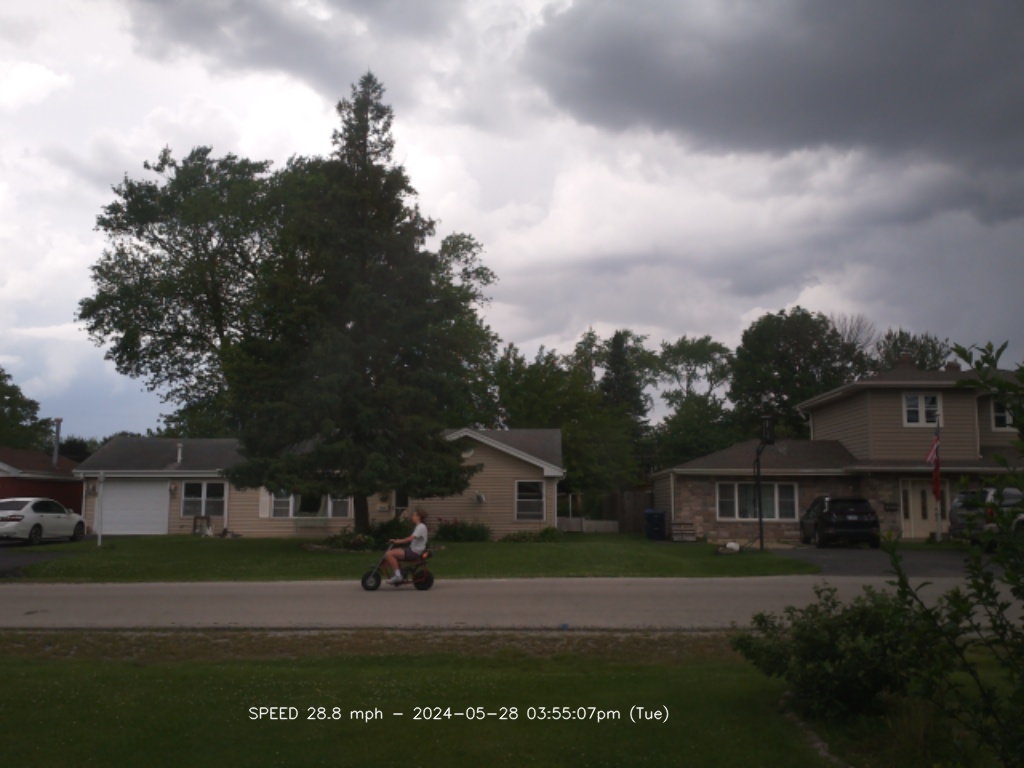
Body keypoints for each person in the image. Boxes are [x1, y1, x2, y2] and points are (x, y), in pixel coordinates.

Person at [385, 508, 428, 584]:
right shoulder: (419, 526)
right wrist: (397, 541)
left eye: (414, 515)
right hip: (413, 550)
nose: (412, 517)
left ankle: (398, 576)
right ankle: (400, 572)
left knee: (389, 554)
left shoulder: (421, 527)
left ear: (418, 517)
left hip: (414, 552)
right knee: (394, 551)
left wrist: (397, 541)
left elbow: (410, 538)